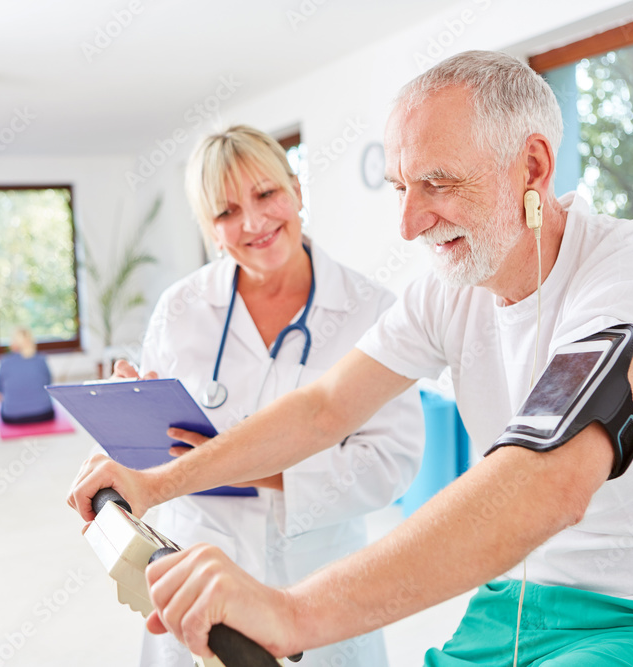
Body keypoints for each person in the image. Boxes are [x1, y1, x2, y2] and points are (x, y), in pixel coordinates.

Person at [70, 52, 633, 666]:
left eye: (439, 183)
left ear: (533, 167)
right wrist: (159, 482)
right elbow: (325, 408)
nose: (409, 222)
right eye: (400, 188)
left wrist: (291, 611)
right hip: (517, 605)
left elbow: (552, 479)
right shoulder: (447, 294)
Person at [107, 125, 425, 667]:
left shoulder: (370, 309)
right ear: (209, 228)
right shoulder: (180, 308)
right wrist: (130, 412)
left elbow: (390, 463)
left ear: (297, 191)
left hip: (316, 578)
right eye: (226, 211)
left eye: (266, 194)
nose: (252, 223)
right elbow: (155, 440)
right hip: (196, 563)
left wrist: (249, 464)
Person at [0, 327, 55, 424]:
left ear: (13, 343)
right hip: (44, 414)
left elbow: (0, 390)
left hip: (12, 417)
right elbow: (48, 384)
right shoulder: (41, 359)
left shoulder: (5, 361)